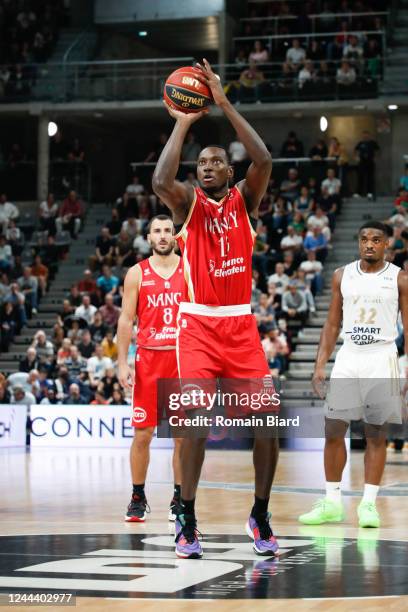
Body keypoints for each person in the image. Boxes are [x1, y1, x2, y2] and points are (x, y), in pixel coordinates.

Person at [152, 58, 279, 559]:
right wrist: (184, 120)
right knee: (195, 424)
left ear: (229, 170)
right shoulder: (187, 205)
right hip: (198, 325)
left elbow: (264, 160)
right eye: (200, 163)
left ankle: (261, 514)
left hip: (241, 326)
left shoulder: (246, 200)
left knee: (267, 425)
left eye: (214, 162)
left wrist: (221, 102)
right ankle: (186, 515)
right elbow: (163, 181)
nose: (205, 167)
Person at [299, 221, 408, 529]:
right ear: (358, 243)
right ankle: (332, 502)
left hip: (382, 356)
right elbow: (332, 324)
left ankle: (369, 505)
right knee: (333, 428)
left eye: (376, 240)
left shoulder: (399, 278)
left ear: (387, 244)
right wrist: (320, 364)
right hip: (349, 356)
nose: (369, 244)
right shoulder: (341, 275)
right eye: (364, 239)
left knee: (376, 434)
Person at [117, 215, 187, 523]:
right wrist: (122, 362)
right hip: (148, 360)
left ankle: (180, 498)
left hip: (183, 360)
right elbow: (125, 319)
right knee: (142, 434)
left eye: (167, 231)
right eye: (157, 231)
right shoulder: (136, 273)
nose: (162, 236)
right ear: (148, 237)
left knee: (184, 436)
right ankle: (137, 496)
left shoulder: (190, 269)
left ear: (175, 236)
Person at [354, 131, 380, 200]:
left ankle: (370, 192)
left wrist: (375, 157)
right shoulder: (360, 143)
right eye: (364, 135)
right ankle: (359, 193)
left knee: (370, 178)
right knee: (360, 177)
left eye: (367, 135)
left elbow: (377, 150)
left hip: (370, 162)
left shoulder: (372, 143)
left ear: (369, 135)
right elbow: (356, 150)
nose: (365, 136)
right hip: (362, 162)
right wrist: (357, 157)